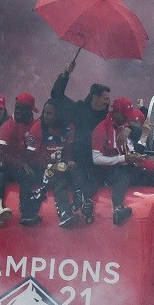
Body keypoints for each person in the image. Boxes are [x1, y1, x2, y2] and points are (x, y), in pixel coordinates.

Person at [50, 62, 111, 223]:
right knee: (73, 178)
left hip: (98, 161)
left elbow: (126, 121)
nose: (108, 102)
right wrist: (65, 74)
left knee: (97, 179)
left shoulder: (108, 117)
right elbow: (56, 96)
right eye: (105, 99)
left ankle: (81, 201)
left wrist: (129, 130)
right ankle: (75, 209)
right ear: (95, 97)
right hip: (78, 160)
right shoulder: (79, 109)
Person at [91, 97, 154, 226]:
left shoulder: (125, 126)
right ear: (116, 112)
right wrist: (124, 158)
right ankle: (118, 209)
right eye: (124, 115)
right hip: (109, 171)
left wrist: (131, 129)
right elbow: (96, 159)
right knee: (121, 177)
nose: (127, 118)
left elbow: (136, 132)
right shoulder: (101, 129)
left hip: (129, 166)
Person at [0, 93, 42, 227]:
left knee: (32, 174)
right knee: (8, 176)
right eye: (16, 108)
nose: (17, 111)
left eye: (21, 109)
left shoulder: (35, 125)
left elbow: (34, 152)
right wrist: (20, 163)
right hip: (6, 165)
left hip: (26, 165)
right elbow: (0, 152)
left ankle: (30, 212)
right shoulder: (7, 126)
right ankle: (12, 211)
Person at [32, 99, 80, 227]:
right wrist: (50, 166)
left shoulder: (69, 128)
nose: (45, 116)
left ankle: (81, 204)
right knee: (59, 180)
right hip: (42, 168)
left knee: (77, 173)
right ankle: (64, 213)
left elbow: (68, 150)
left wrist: (69, 162)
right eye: (44, 112)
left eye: (49, 113)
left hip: (60, 166)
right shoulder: (38, 127)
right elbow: (31, 157)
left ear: (58, 114)